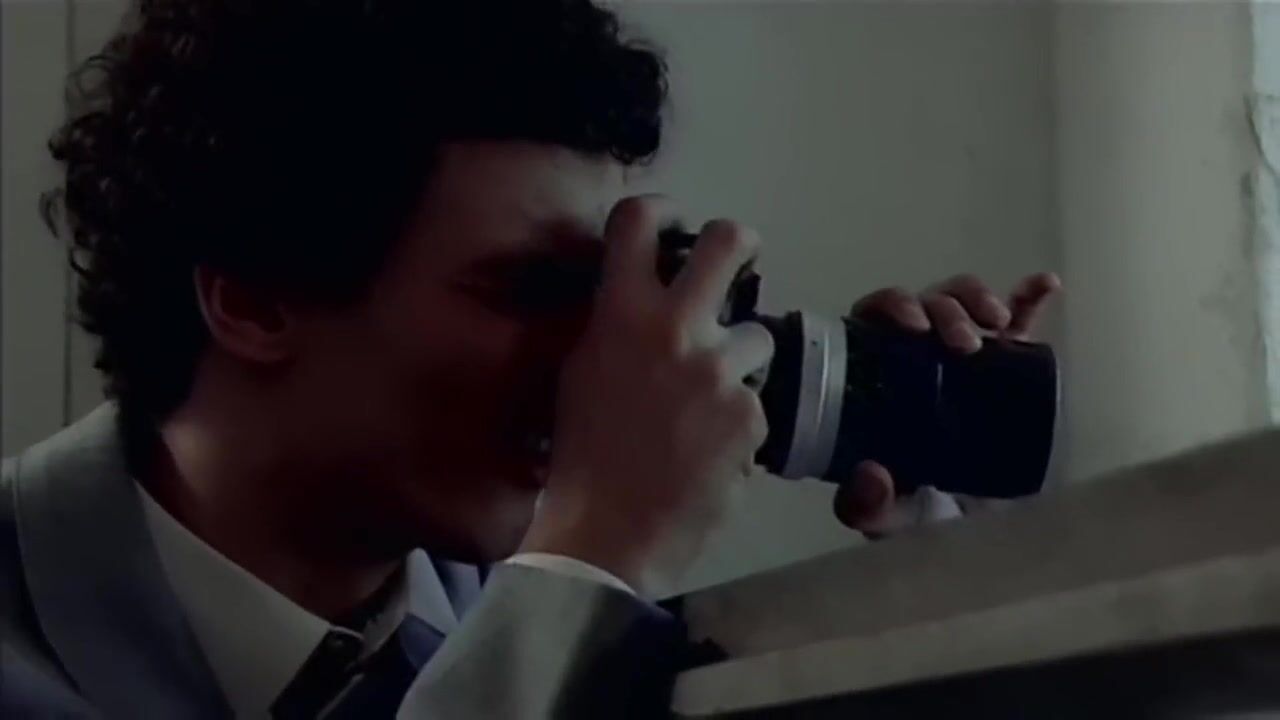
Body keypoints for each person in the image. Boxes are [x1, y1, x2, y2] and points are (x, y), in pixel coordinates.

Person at [0, 0, 1061, 717]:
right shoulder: (567, 606)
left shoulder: (527, 614)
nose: (605, 357)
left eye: (610, 284)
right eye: (529, 290)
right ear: (252, 298)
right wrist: (590, 562)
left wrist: (944, 584)